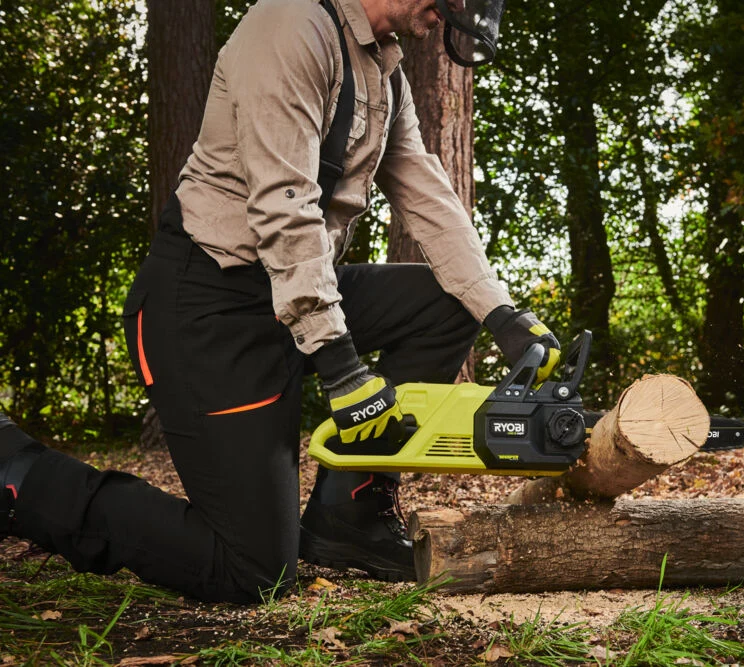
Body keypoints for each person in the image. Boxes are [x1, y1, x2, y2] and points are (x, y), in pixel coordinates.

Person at [0, 0, 559, 604]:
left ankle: (350, 514)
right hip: (209, 303)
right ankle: (19, 475)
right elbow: (283, 204)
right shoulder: (290, 26)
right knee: (253, 572)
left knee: (445, 304)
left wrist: (501, 314)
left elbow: (427, 193)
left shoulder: (384, 70)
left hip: (287, 288)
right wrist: (342, 367)